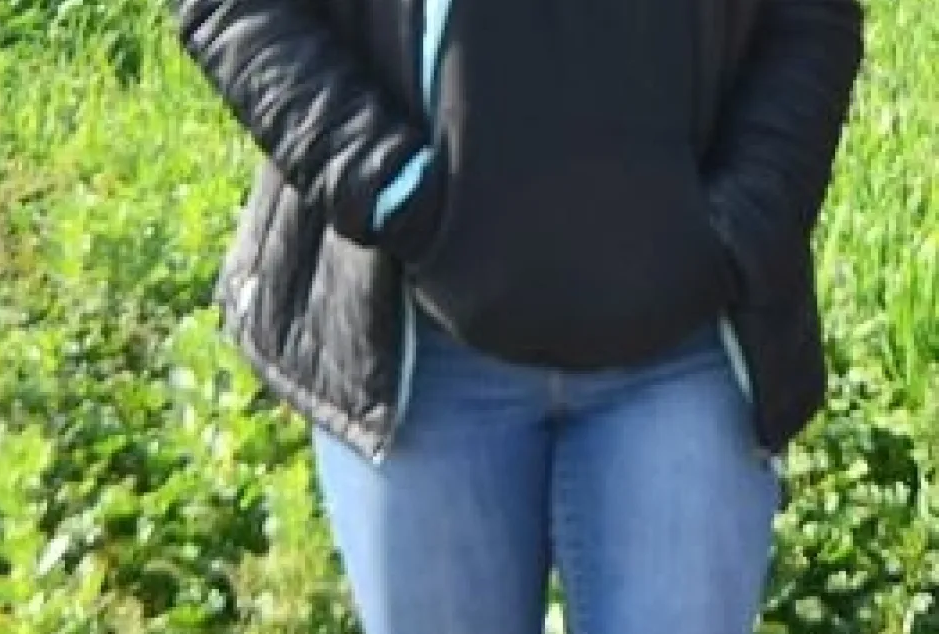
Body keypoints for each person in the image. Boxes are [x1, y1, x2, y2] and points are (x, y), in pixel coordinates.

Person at [171, 0, 864, 631]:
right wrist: (388, 189)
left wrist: (743, 224)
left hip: (688, 356)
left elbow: (810, 19)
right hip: (420, 360)